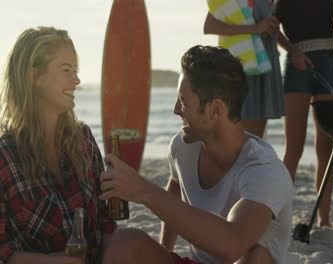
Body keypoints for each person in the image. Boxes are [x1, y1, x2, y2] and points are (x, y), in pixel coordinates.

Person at [99, 45, 293, 264]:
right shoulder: (183, 147)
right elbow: (175, 188)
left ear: (215, 110)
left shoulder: (264, 170)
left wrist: (142, 189)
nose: (176, 110)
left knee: (257, 257)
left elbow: (232, 244)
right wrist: (165, 251)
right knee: (126, 241)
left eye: (183, 101)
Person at [0, 27, 116, 264]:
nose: (77, 80)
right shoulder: (5, 157)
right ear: (35, 76)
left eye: (76, 71)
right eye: (67, 70)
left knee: (133, 240)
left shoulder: (83, 139)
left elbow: (106, 224)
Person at [275, 0, 333, 226]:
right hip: (296, 66)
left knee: (326, 147)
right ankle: (278, 216)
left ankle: (324, 219)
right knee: (294, 148)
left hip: (328, 62)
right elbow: (271, 27)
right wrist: (293, 51)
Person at [203, 0, 286, 137]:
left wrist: (292, 50)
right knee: (239, 138)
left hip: (264, 65)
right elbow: (210, 26)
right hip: (243, 67)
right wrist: (255, 28)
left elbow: (268, 28)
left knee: (254, 140)